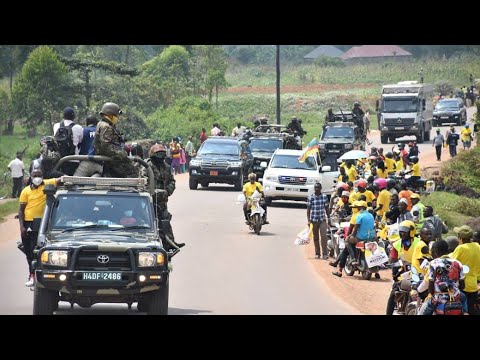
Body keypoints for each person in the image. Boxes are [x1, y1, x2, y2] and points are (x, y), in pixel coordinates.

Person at [19, 169, 63, 286]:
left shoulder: (49, 183)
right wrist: (22, 227)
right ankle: (31, 276)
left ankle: (40, 276)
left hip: (43, 223)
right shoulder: (25, 191)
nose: (37, 178)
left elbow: (61, 180)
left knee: (39, 251)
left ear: (43, 176)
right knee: (29, 251)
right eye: (35, 175)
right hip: (29, 223)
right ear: (31, 177)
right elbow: (21, 210)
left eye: (39, 175)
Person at [144, 144, 184, 249]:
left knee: (165, 221)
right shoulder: (146, 166)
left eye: (163, 154)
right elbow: (143, 181)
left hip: (162, 200)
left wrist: (167, 191)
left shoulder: (166, 167)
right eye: (158, 154)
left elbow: (172, 181)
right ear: (152, 155)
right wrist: (151, 191)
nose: (161, 157)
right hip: (148, 200)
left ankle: (170, 243)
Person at [420, 240, 468, 315]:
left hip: (439, 297)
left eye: (432, 251)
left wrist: (433, 296)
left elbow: (430, 286)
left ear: (436, 251)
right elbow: (462, 285)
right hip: (455, 295)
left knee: (425, 311)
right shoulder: (458, 263)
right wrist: (455, 292)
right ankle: (465, 312)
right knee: (464, 298)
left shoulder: (433, 263)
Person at [94, 102, 137, 178]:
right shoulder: (106, 126)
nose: (117, 118)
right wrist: (122, 153)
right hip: (113, 160)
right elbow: (106, 145)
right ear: (110, 115)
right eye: (116, 115)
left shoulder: (104, 124)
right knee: (132, 172)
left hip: (110, 158)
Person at [450, 225, 480, 315]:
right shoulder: (477, 246)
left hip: (462, 285)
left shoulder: (461, 248)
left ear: (460, 238)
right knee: (472, 309)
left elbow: (450, 262)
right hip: (474, 285)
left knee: (460, 310)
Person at [53, 107, 84, 175]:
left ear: (63, 116)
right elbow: (80, 141)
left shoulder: (56, 125)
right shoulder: (79, 128)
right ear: (74, 117)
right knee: (71, 180)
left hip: (59, 159)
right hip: (73, 159)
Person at [307, 182, 329, 260]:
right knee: (315, 237)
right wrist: (309, 221)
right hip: (314, 220)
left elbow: (326, 208)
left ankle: (325, 254)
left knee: (323, 236)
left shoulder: (324, 197)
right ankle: (317, 253)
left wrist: (328, 218)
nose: (316, 189)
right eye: (315, 188)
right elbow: (308, 209)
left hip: (322, 219)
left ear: (320, 188)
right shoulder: (311, 197)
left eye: (318, 188)